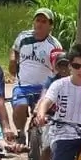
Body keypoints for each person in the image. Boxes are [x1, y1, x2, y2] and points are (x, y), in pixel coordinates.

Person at [10, 8, 62, 142]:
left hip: (42, 88)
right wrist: (12, 61)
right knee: (19, 107)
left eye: (44, 21)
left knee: (42, 115)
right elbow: (14, 49)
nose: (39, 24)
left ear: (51, 26)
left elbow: (59, 67)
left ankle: (40, 141)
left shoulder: (54, 45)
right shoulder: (23, 37)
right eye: (37, 20)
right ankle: (20, 134)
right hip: (22, 85)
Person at [32, 48, 70, 160]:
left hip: (71, 121)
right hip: (51, 117)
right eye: (60, 65)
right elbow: (44, 97)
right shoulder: (51, 82)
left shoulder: (77, 82)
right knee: (47, 147)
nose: (64, 69)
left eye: (66, 65)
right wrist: (39, 113)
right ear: (55, 67)